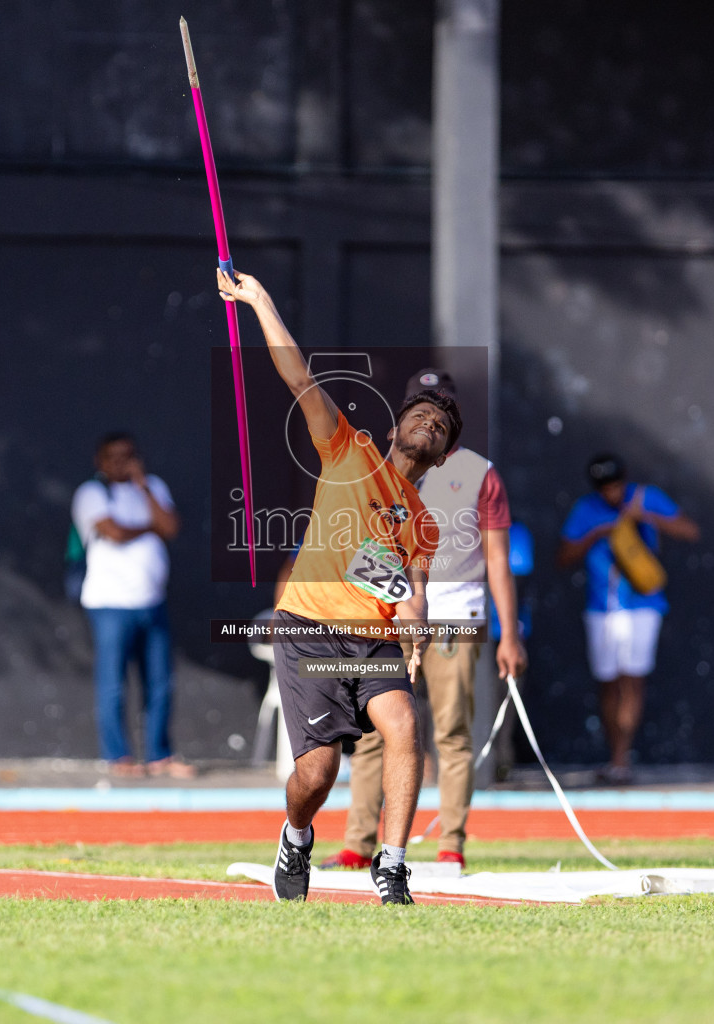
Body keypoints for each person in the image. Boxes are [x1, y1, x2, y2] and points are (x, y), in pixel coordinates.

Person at [218, 267, 455, 905]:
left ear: (442, 456)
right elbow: (298, 376)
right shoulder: (347, 450)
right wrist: (260, 299)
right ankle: (297, 836)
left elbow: (415, 589)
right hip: (311, 629)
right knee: (316, 774)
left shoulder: (424, 522)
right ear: (395, 427)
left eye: (442, 425)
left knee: (406, 727)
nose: (431, 423)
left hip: (372, 639)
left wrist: (417, 632)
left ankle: (394, 864)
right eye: (422, 413)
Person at [322, 369, 527, 872]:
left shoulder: (481, 473)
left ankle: (450, 844)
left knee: (453, 733)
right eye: (422, 404)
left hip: (455, 614)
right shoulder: (375, 468)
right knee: (373, 732)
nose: (433, 415)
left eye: (443, 407)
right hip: (389, 616)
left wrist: (509, 632)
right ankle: (357, 843)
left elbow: (497, 559)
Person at [557, 454, 699, 784]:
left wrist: (644, 517)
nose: (612, 493)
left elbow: (690, 530)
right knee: (608, 682)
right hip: (601, 607)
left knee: (633, 680)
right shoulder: (586, 510)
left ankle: (621, 760)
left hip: (643, 605)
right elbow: (563, 556)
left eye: (617, 486)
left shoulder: (645, 498)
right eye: (606, 489)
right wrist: (597, 534)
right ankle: (614, 756)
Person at [72, 432, 193, 778]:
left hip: (152, 602)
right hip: (109, 604)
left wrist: (143, 488)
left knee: (160, 682)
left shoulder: (152, 486)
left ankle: (159, 756)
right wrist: (149, 527)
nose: (122, 463)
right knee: (112, 683)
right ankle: (119, 758)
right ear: (100, 460)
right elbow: (114, 533)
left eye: (128, 456)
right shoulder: (92, 492)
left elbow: (169, 526)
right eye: (114, 456)